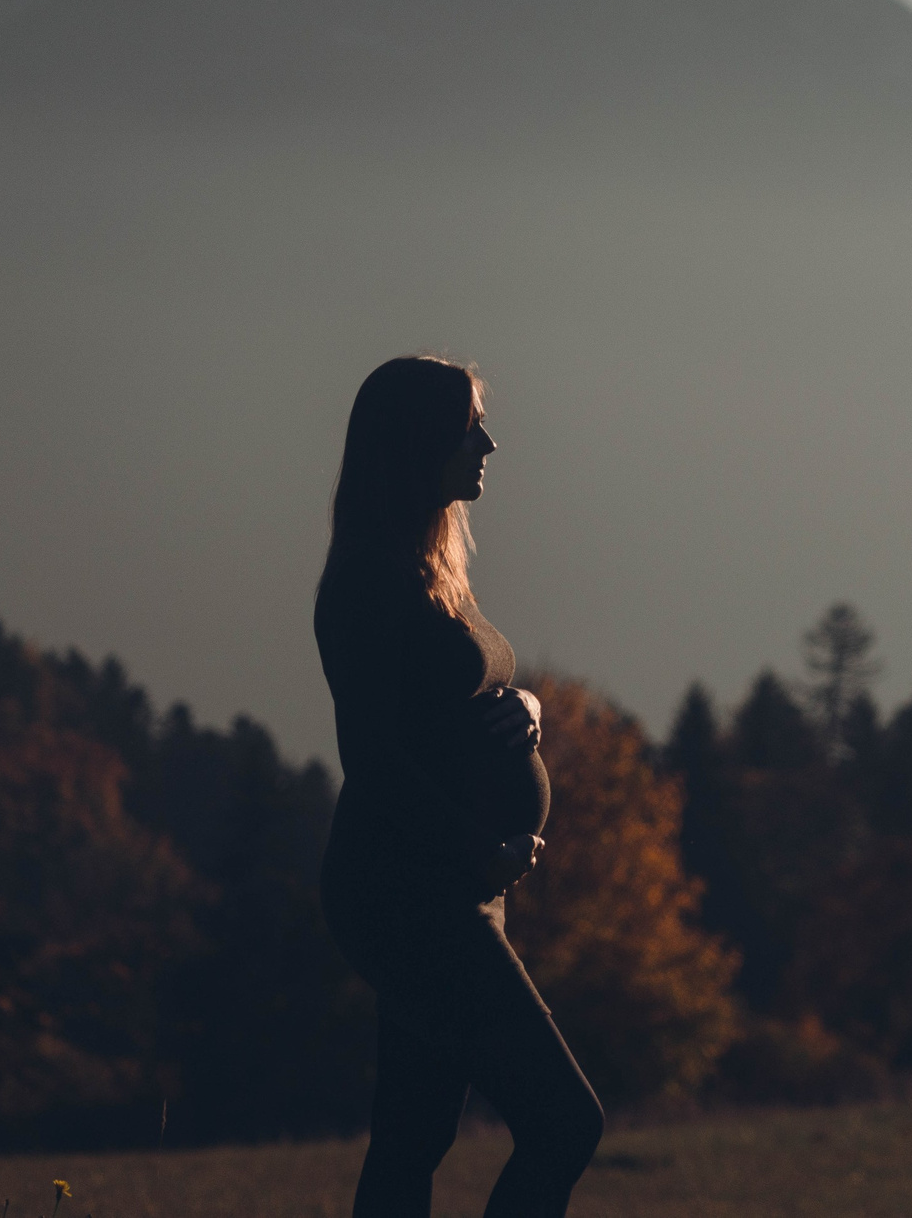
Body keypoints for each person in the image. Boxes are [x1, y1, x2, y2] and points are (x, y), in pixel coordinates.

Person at [314, 355, 604, 1217]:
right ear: (419, 441)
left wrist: (529, 704)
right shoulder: (369, 580)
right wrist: (483, 850)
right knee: (564, 1123)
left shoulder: (430, 565)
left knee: (412, 1137)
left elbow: (469, 683)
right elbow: (372, 760)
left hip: (455, 890)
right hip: (411, 894)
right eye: (470, 424)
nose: (489, 441)